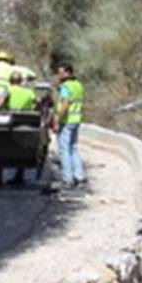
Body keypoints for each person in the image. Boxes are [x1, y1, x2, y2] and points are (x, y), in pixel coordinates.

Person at [0, 71, 38, 185]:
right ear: (21, 81)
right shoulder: (29, 92)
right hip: (26, 124)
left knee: (1, 147)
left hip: (11, 123)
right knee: (22, 150)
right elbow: (38, 103)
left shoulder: (8, 90)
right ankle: (19, 176)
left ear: (10, 81)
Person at [51, 62, 87, 190]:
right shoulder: (78, 85)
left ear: (68, 73)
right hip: (76, 120)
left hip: (66, 121)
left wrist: (57, 120)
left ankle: (68, 179)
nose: (59, 75)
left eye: (61, 73)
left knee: (64, 150)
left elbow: (65, 103)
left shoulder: (66, 87)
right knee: (73, 149)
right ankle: (80, 177)